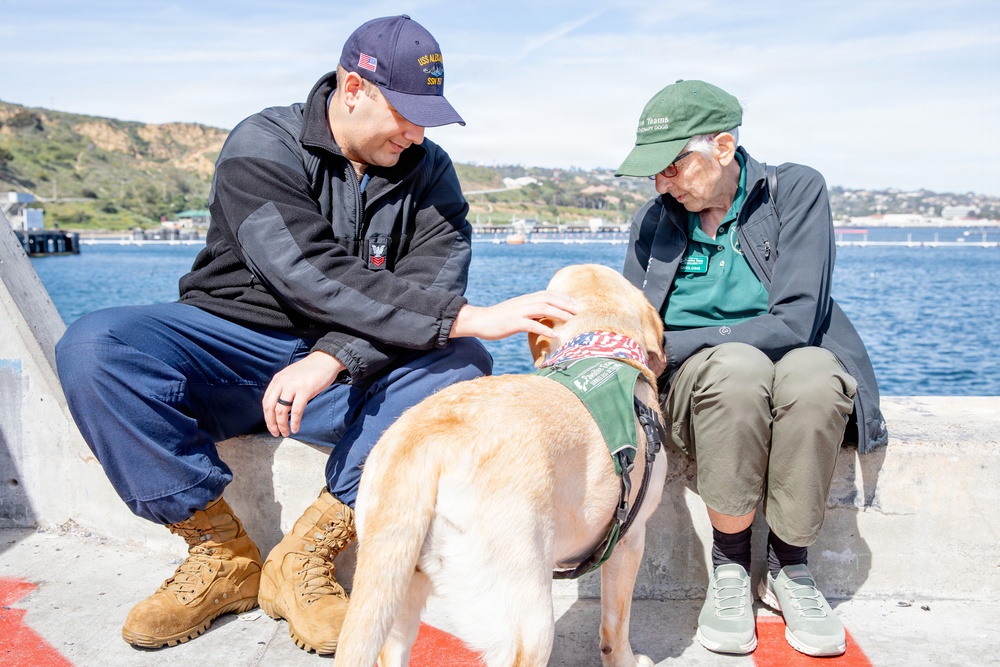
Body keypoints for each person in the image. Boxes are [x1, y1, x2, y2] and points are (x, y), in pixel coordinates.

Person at [55, 15, 575, 655]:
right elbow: (307, 271)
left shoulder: (428, 170)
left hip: (341, 374)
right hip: (230, 344)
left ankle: (306, 554)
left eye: (428, 118)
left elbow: (434, 280)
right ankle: (219, 551)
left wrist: (333, 357)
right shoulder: (261, 143)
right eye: (406, 113)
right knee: (95, 345)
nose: (417, 133)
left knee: (462, 365)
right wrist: (465, 316)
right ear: (353, 88)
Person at [615, 80, 887, 657]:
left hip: (789, 357)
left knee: (818, 379)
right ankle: (732, 563)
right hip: (705, 379)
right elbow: (637, 326)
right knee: (736, 369)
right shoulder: (654, 221)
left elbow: (796, 320)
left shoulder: (796, 191)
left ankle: (791, 567)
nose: (663, 183)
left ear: (722, 146)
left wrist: (688, 340)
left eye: (673, 166)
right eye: (654, 173)